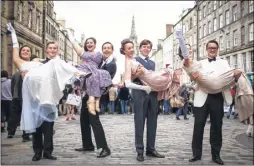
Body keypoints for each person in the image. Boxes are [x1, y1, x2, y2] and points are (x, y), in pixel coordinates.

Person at [6, 23, 90, 161]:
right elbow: (16, 58)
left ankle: (48, 151)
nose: (52, 50)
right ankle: (37, 152)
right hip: (35, 100)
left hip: (49, 100)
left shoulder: (57, 63)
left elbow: (66, 72)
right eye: (50, 48)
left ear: (57, 51)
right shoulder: (37, 64)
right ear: (46, 51)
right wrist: (14, 36)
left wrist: (77, 75)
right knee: (37, 128)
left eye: (54, 48)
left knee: (48, 127)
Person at [174, 30, 253, 165]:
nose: (212, 50)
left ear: (217, 50)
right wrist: (194, 79)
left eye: (214, 48)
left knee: (217, 127)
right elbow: (191, 72)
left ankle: (216, 155)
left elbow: (229, 79)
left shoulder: (224, 63)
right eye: (210, 48)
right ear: (206, 50)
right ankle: (196, 154)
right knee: (198, 126)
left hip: (217, 97)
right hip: (201, 97)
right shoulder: (200, 63)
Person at [121, 39, 180, 162]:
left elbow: (155, 77)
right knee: (139, 121)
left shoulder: (153, 63)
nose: (146, 48)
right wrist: (138, 75)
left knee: (153, 121)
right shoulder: (134, 60)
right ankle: (140, 151)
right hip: (139, 93)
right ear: (140, 48)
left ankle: (151, 149)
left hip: (153, 94)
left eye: (149, 47)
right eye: (144, 46)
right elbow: (128, 79)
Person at [75, 42, 116, 158]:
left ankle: (104, 147)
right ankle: (87, 144)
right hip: (88, 93)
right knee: (84, 119)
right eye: (104, 48)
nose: (106, 50)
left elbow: (106, 83)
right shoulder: (100, 62)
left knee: (94, 121)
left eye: (109, 48)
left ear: (112, 50)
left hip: (96, 95)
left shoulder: (111, 65)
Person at [65, 30, 112, 115]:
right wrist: (69, 33)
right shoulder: (83, 52)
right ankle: (91, 102)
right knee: (91, 77)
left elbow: (108, 56)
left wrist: (108, 50)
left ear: (95, 44)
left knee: (103, 76)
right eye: (87, 43)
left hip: (95, 71)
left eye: (91, 42)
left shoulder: (99, 54)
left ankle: (97, 102)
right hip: (85, 70)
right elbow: (73, 42)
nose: (89, 44)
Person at [7, 46, 32, 142]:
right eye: (23, 50)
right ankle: (11, 132)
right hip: (17, 96)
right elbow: (13, 85)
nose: (25, 52)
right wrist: (14, 95)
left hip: (28, 96)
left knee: (26, 115)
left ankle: (25, 134)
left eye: (27, 50)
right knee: (14, 115)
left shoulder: (33, 65)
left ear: (30, 53)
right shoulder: (16, 72)